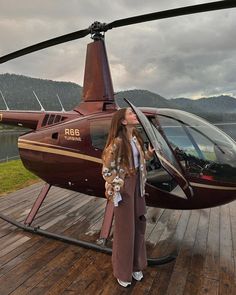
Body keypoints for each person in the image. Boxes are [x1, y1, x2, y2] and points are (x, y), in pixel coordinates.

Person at [101, 107, 154, 287]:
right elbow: (106, 171)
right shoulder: (116, 143)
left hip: (138, 185)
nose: (134, 115)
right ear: (123, 121)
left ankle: (136, 266)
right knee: (125, 232)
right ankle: (122, 272)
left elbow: (139, 161)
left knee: (139, 225)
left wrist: (148, 154)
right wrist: (118, 186)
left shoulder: (136, 138)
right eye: (131, 114)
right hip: (125, 188)